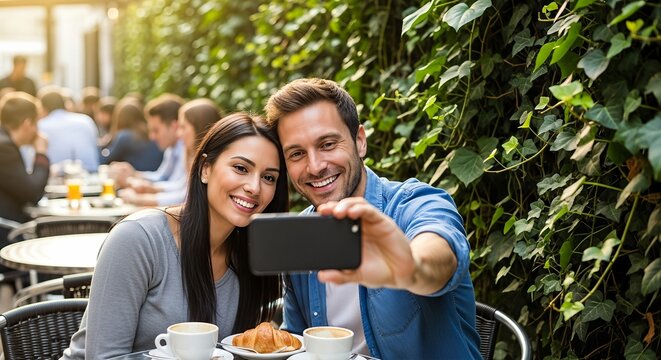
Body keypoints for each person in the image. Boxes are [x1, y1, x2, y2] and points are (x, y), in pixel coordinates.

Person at [264, 78, 482, 359]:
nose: (315, 166)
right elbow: (297, 344)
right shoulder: (299, 238)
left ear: (360, 141)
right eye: (297, 153)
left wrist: (409, 268)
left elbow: (440, 254)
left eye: (328, 144)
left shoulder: (415, 202)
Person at [61, 113, 289, 359]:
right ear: (205, 169)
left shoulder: (250, 257)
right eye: (241, 168)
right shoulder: (138, 239)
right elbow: (103, 357)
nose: (254, 187)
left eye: (268, 177)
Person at [118, 98, 222, 206]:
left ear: (201, 128)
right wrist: (143, 185)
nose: (178, 134)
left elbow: (186, 196)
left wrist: (140, 198)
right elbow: (180, 186)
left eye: (183, 127)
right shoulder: (190, 154)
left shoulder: (208, 160)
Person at [0, 92, 48, 248]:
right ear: (27, 124)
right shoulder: (4, 148)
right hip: (9, 235)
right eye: (37, 124)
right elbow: (32, 193)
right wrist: (41, 154)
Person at [110, 93, 185, 190]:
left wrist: (134, 184)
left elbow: (181, 190)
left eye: (156, 130)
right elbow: (161, 177)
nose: (152, 137)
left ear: (174, 127)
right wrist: (133, 173)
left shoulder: (186, 148)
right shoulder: (172, 148)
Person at [37, 86, 99, 172]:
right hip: (92, 176)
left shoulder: (40, 126)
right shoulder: (86, 121)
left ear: (43, 108)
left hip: (57, 179)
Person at [99, 96, 163, 171]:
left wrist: (102, 146)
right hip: (154, 173)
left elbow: (104, 160)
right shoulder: (150, 132)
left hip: (136, 175)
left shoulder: (125, 136)